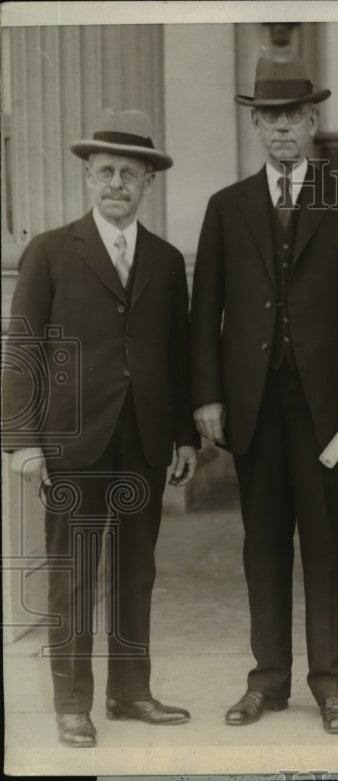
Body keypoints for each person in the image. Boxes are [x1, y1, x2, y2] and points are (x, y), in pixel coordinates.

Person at [189, 53, 338, 735]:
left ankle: (331, 682)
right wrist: (208, 396)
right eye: (267, 117)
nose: (280, 128)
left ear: (312, 121)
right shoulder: (226, 208)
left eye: (291, 116)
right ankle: (267, 680)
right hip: (252, 406)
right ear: (256, 125)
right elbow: (204, 312)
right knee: (263, 543)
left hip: (326, 409)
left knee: (327, 545)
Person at [1, 109, 199, 747]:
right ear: (89, 178)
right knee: (74, 572)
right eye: (106, 171)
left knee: (136, 571)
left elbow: (180, 354)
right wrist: (24, 441)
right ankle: (70, 703)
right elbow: (23, 350)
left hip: (142, 441)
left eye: (130, 174)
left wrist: (186, 438)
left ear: (149, 185)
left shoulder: (168, 262)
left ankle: (130, 692)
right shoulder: (52, 251)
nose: (118, 183)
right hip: (72, 444)